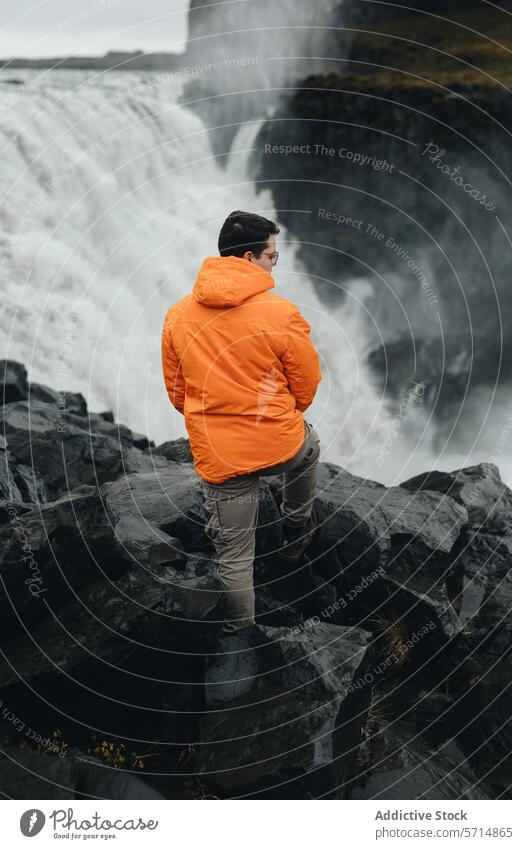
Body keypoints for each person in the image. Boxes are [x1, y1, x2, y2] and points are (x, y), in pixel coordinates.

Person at [161, 210, 322, 703]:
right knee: (310, 447)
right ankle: (296, 528)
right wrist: (281, 415)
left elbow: (177, 393)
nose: (276, 264)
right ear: (251, 257)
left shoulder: (178, 315)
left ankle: (239, 631)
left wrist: (215, 421)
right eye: (273, 255)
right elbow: (307, 384)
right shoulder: (280, 312)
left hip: (222, 459)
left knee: (234, 554)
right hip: (279, 443)